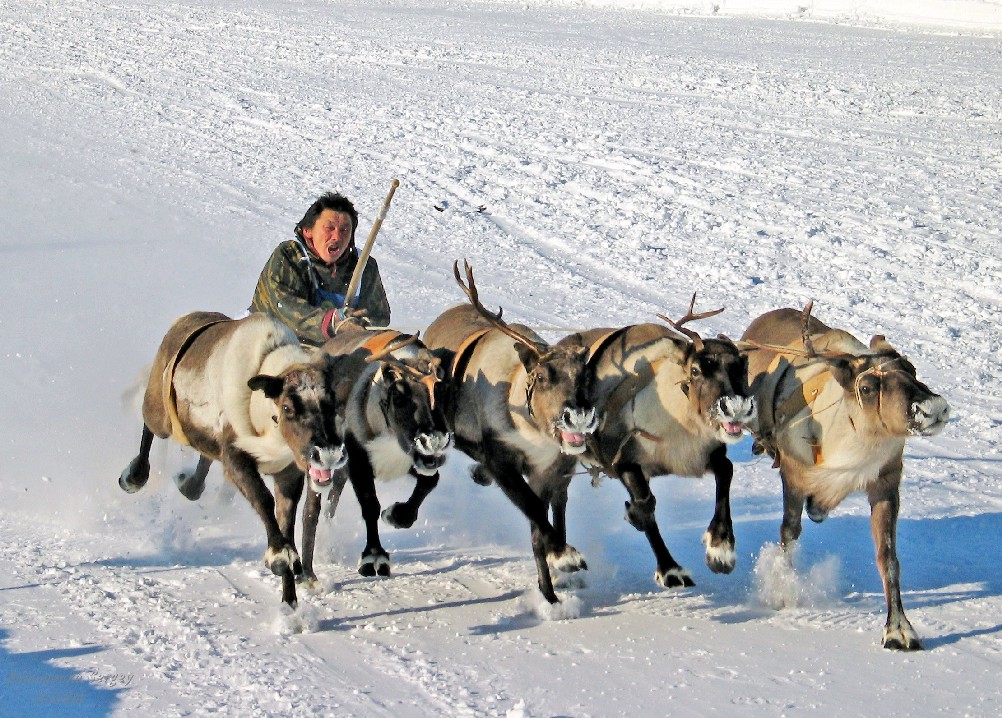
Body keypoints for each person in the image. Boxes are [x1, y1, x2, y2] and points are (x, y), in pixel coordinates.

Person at [250, 192, 391, 346]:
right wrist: (331, 322)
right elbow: (285, 307)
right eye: (329, 228)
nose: (337, 237)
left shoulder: (364, 266)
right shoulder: (290, 256)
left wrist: (358, 324)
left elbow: (379, 316)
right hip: (274, 344)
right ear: (307, 231)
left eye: (344, 230)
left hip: (335, 352)